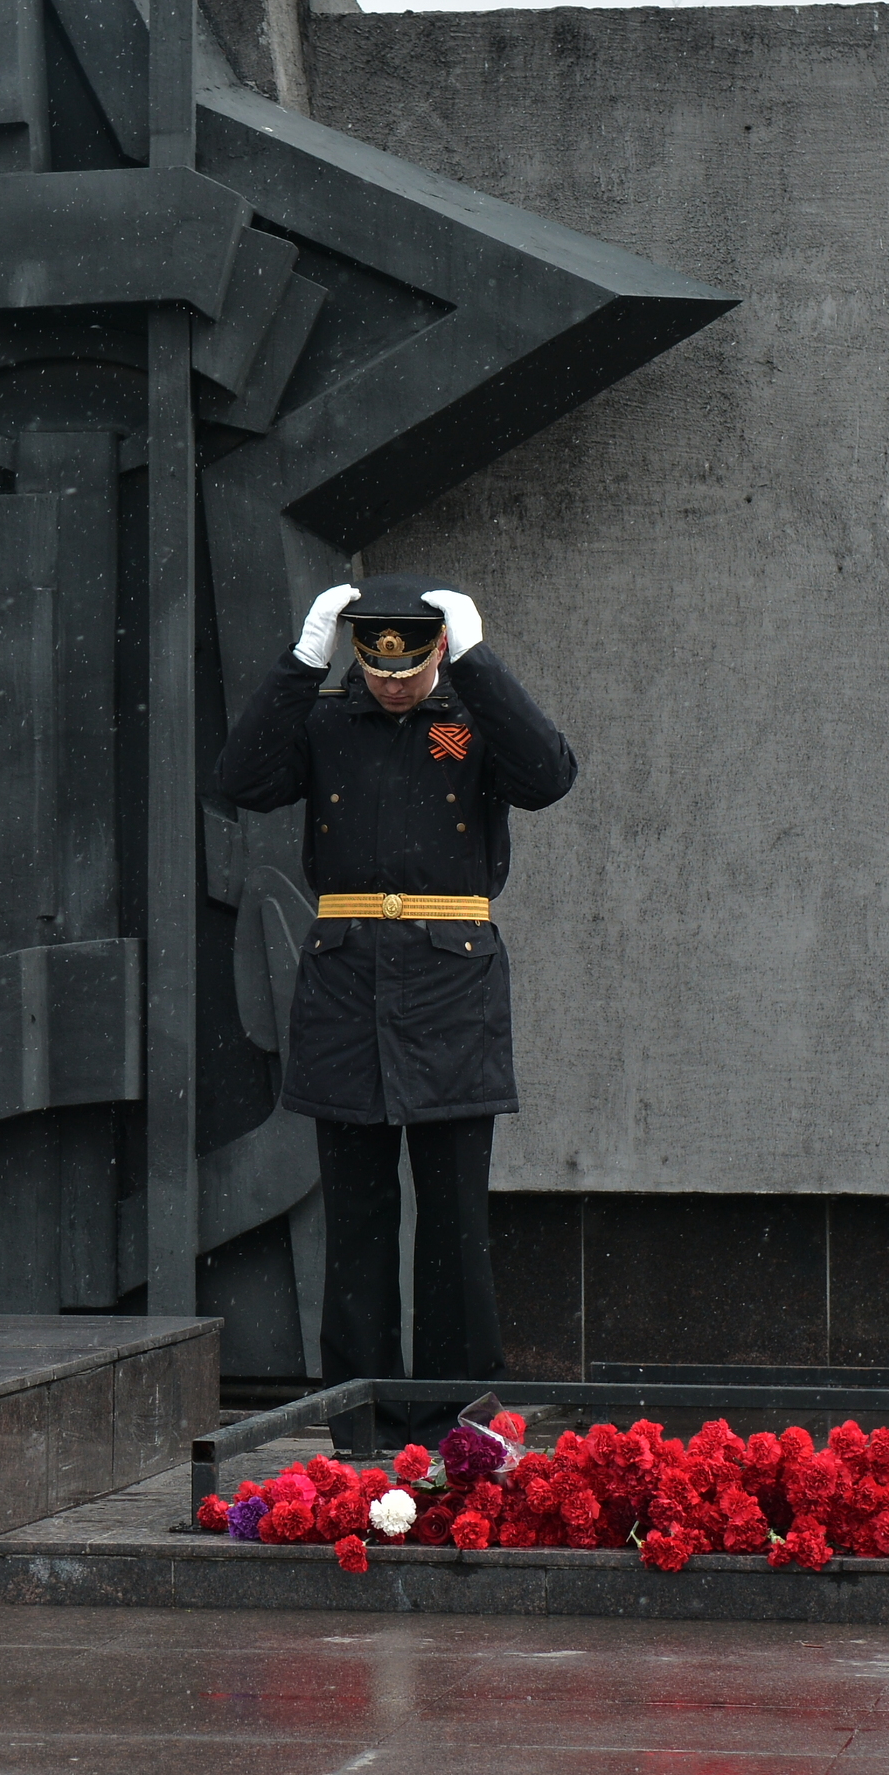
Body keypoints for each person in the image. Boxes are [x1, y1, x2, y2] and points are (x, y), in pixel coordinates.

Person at [213, 572, 578, 1435]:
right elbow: (241, 777)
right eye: (377, 669)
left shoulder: (472, 720)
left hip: (451, 992)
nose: (393, 684)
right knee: (358, 1221)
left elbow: (550, 774)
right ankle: (361, 1418)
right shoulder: (326, 721)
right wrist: (301, 663)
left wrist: (480, 661)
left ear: (437, 650)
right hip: (346, 990)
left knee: (454, 1222)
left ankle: (459, 1422)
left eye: (409, 669)